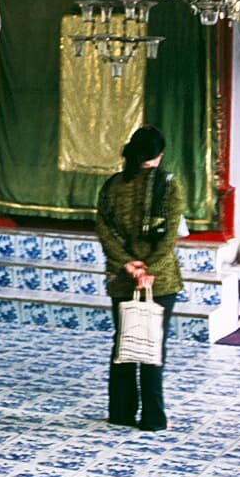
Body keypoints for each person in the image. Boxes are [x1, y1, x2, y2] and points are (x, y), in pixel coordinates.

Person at [95, 125, 185, 431]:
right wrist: (150, 271)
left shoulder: (112, 185)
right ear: (159, 155)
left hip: (123, 279)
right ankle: (153, 418)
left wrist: (129, 266)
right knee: (151, 345)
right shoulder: (169, 186)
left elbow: (105, 231)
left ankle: (120, 412)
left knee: (124, 344)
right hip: (159, 281)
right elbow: (169, 237)